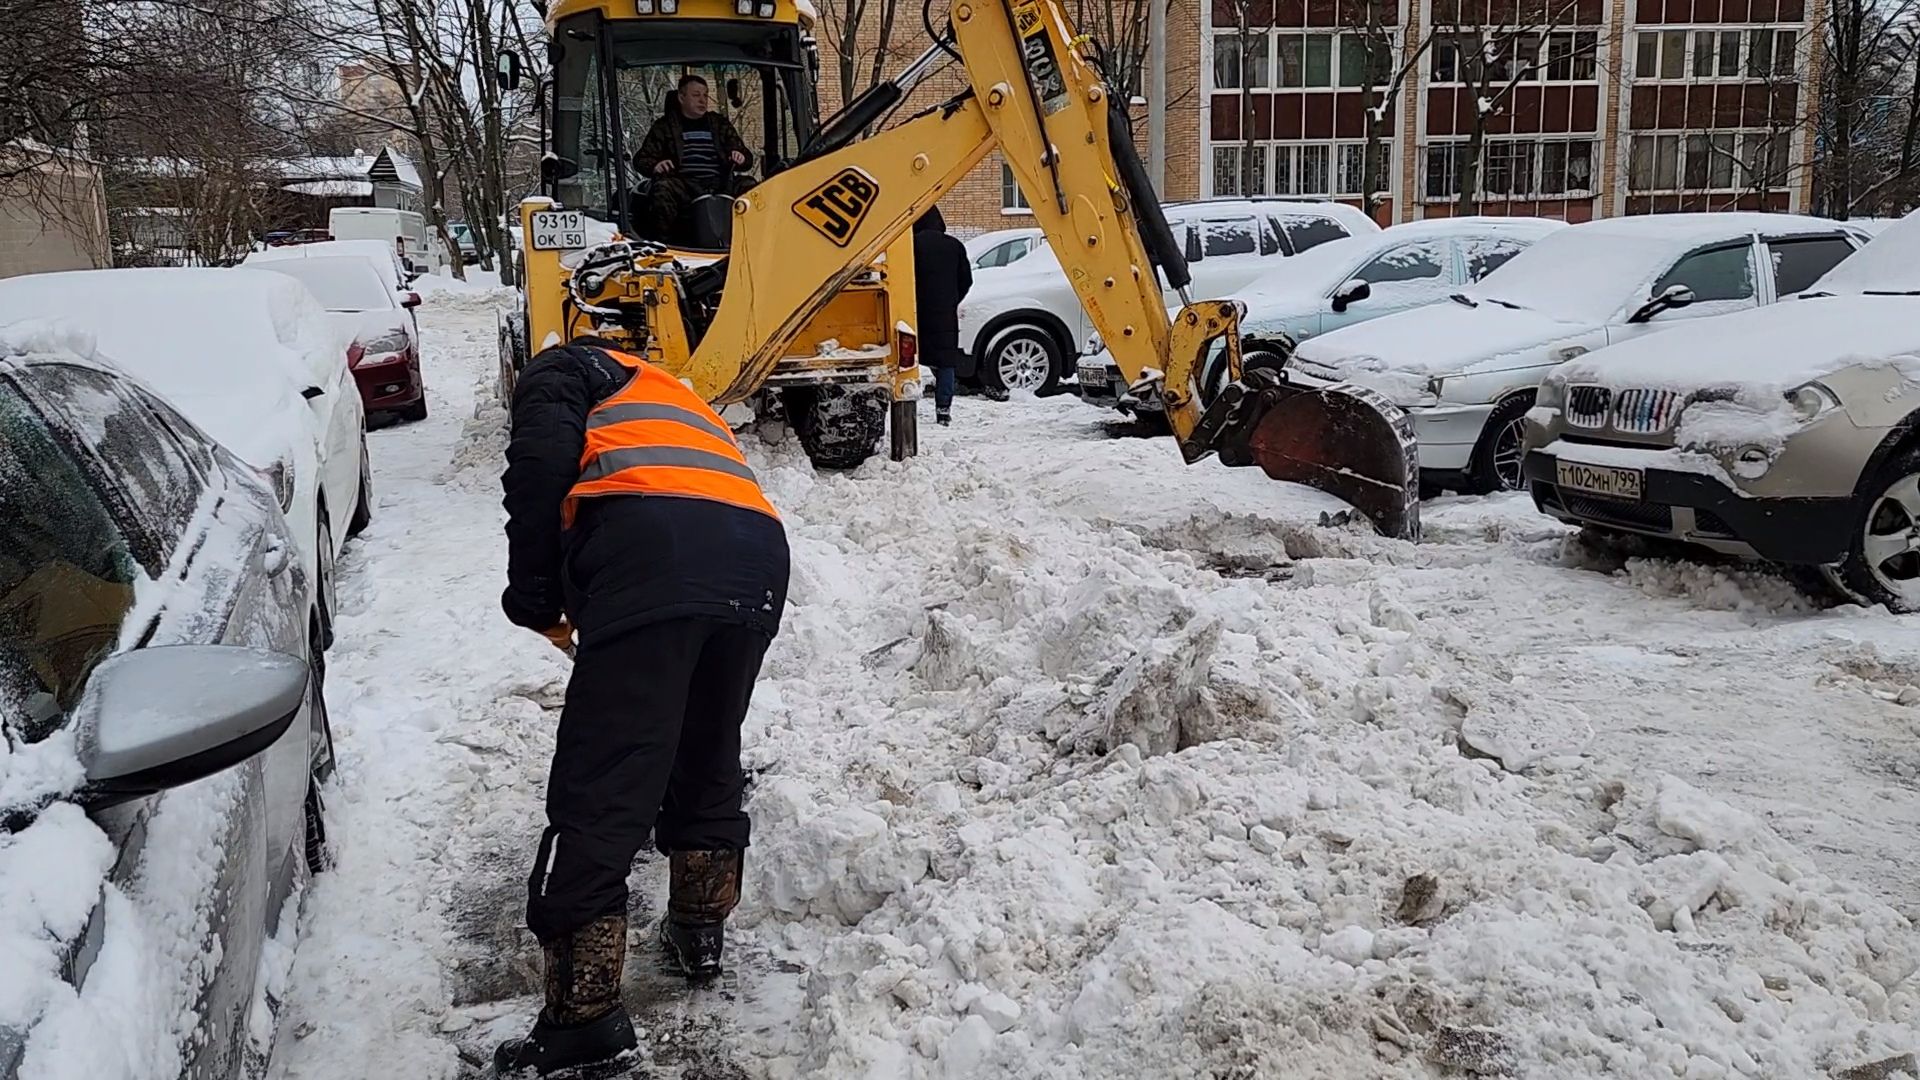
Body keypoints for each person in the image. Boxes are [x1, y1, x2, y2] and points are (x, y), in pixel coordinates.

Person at [493, 338, 790, 1077]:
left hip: (653, 548)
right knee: (706, 746)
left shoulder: (563, 369)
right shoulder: (671, 392)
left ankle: (583, 1020)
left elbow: (538, 471)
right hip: (756, 556)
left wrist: (535, 597)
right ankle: (699, 930)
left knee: (605, 779)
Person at [633, 74, 755, 243]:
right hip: (683, 185)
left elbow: (746, 157)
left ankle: (751, 242)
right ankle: (665, 245)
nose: (702, 100)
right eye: (696, 95)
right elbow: (641, 160)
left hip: (721, 183)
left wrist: (740, 156)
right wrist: (656, 165)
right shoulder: (665, 126)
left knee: (752, 188)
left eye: (705, 95)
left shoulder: (719, 124)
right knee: (662, 189)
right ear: (681, 98)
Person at [910, 206, 972, 425]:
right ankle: (943, 409)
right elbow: (966, 280)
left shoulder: (912, 245)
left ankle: (906, 404)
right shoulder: (954, 245)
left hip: (915, 311)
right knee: (946, 362)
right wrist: (952, 299)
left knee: (909, 360)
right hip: (945, 313)